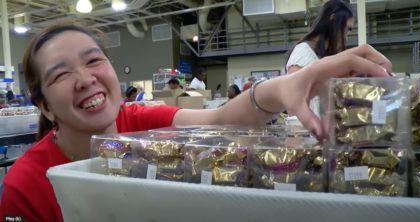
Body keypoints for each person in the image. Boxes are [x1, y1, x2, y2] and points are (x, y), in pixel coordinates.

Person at [0, 23, 391, 221]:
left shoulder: (139, 122)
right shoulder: (24, 186)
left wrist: (288, 87)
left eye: (92, 60)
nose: (85, 78)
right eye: (61, 74)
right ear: (44, 105)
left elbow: (222, 117)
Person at [284, 0, 354, 117]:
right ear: (333, 19)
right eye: (348, 29)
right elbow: (293, 106)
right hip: (308, 133)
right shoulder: (303, 52)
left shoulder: (322, 57)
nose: (347, 36)